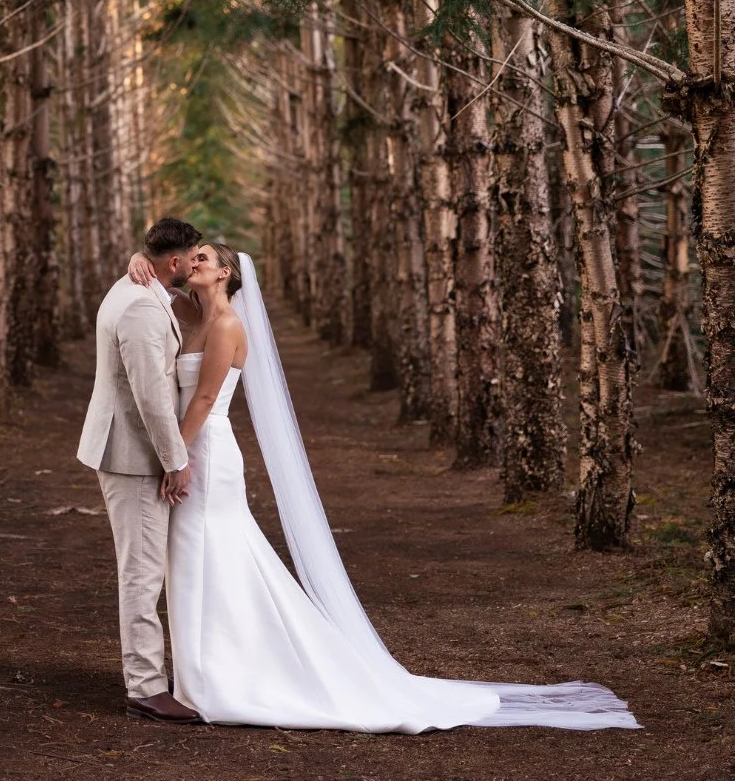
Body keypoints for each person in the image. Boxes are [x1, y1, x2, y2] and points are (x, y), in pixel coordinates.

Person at [125, 241, 641, 733]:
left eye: (204, 257)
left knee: (207, 556)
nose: (192, 261)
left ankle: (227, 674)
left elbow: (204, 398)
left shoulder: (227, 324)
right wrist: (138, 260)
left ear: (226, 274)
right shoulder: (192, 315)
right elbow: (155, 284)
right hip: (191, 449)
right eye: (190, 257)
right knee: (201, 560)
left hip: (206, 453)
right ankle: (211, 667)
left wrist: (175, 460)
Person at [76, 217, 202, 723]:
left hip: (128, 445)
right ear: (173, 262)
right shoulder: (141, 308)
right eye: (192, 258)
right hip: (131, 452)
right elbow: (151, 396)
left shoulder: (138, 283)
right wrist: (176, 461)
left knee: (145, 565)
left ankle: (147, 676)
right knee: (142, 570)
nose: (196, 264)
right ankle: (145, 687)